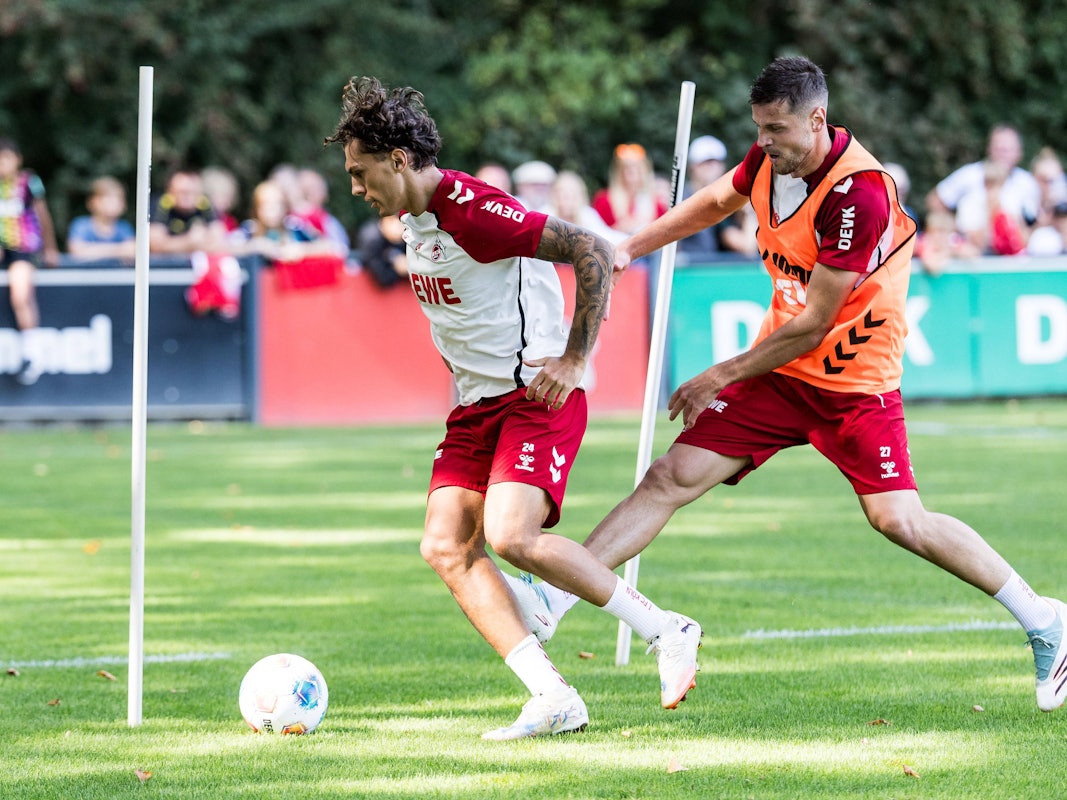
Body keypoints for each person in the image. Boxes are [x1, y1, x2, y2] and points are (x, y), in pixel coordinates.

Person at [514, 56, 1067, 715]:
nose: (763, 142)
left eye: (775, 129)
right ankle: (558, 595)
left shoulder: (855, 195)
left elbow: (813, 325)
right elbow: (716, 200)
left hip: (852, 385)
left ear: (816, 119)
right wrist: (635, 246)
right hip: (778, 378)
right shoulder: (768, 161)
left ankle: (1043, 621)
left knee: (898, 521)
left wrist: (717, 373)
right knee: (669, 477)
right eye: (757, 128)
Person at [323, 75, 702, 740]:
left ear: (399, 161)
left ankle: (667, 629)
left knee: (510, 536)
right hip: (476, 407)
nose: (355, 187)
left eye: (360, 172)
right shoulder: (413, 217)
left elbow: (589, 248)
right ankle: (552, 695)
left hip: (536, 396)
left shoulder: (473, 208)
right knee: (445, 545)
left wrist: (575, 358)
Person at [0, 137, 60, 384]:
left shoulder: (28, 182)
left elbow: (42, 215)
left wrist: (50, 247)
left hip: (23, 248)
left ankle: (32, 353)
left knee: (21, 294)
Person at [925, 124, 1040, 232]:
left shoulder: (1027, 182)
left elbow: (1033, 222)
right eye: (998, 148)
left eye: (1008, 149)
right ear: (989, 149)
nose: (1003, 154)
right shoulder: (970, 174)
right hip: (971, 247)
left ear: (1019, 153)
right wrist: (954, 229)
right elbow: (935, 200)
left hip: (1011, 247)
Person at [678, 135, 756, 262]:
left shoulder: (727, 198)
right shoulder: (681, 198)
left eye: (716, 163)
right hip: (688, 270)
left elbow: (747, 247)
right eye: (706, 163)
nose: (711, 168)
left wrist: (748, 213)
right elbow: (747, 247)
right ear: (693, 167)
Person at [591, 143, 668, 235]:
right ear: (619, 171)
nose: (632, 171)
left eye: (636, 167)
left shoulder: (656, 204)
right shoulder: (604, 201)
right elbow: (596, 231)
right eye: (626, 167)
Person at [149, 167, 227, 255]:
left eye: (193, 193)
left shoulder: (204, 203)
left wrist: (173, 244)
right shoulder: (163, 203)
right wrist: (189, 241)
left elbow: (218, 240)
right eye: (182, 192)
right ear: (170, 192)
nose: (187, 197)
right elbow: (156, 245)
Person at [65, 176, 137, 263]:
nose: (114, 204)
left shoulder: (124, 227)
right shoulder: (81, 225)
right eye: (108, 199)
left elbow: (132, 250)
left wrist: (94, 250)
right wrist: (119, 250)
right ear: (92, 202)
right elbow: (77, 252)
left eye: (118, 199)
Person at [547, 169, 625, 245]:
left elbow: (607, 236)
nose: (566, 200)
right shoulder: (547, 215)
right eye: (562, 194)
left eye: (571, 194)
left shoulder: (587, 215)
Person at [356, 213, 409, 288]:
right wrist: (399, 269)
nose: (401, 229)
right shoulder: (372, 240)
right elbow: (381, 278)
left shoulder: (404, 237)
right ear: (386, 220)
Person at [200, 166, 242, 233]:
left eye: (228, 196)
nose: (226, 200)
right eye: (221, 195)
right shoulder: (200, 218)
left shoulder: (230, 221)